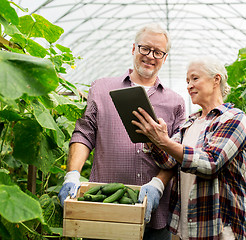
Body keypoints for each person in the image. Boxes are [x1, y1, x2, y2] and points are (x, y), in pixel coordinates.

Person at [58, 23, 186, 240]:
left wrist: (157, 184)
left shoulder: (175, 102)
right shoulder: (101, 88)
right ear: (133, 48)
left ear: (165, 57)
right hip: (103, 210)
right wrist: (72, 175)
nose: (150, 56)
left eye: (158, 52)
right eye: (145, 48)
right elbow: (84, 134)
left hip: (154, 216)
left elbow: (178, 154)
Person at [132, 56, 246, 240]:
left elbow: (211, 163)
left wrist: (164, 141)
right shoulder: (189, 123)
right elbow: (168, 161)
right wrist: (151, 138)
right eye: (187, 81)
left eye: (195, 78)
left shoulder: (233, 118)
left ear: (216, 80)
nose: (189, 86)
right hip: (184, 226)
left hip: (219, 229)